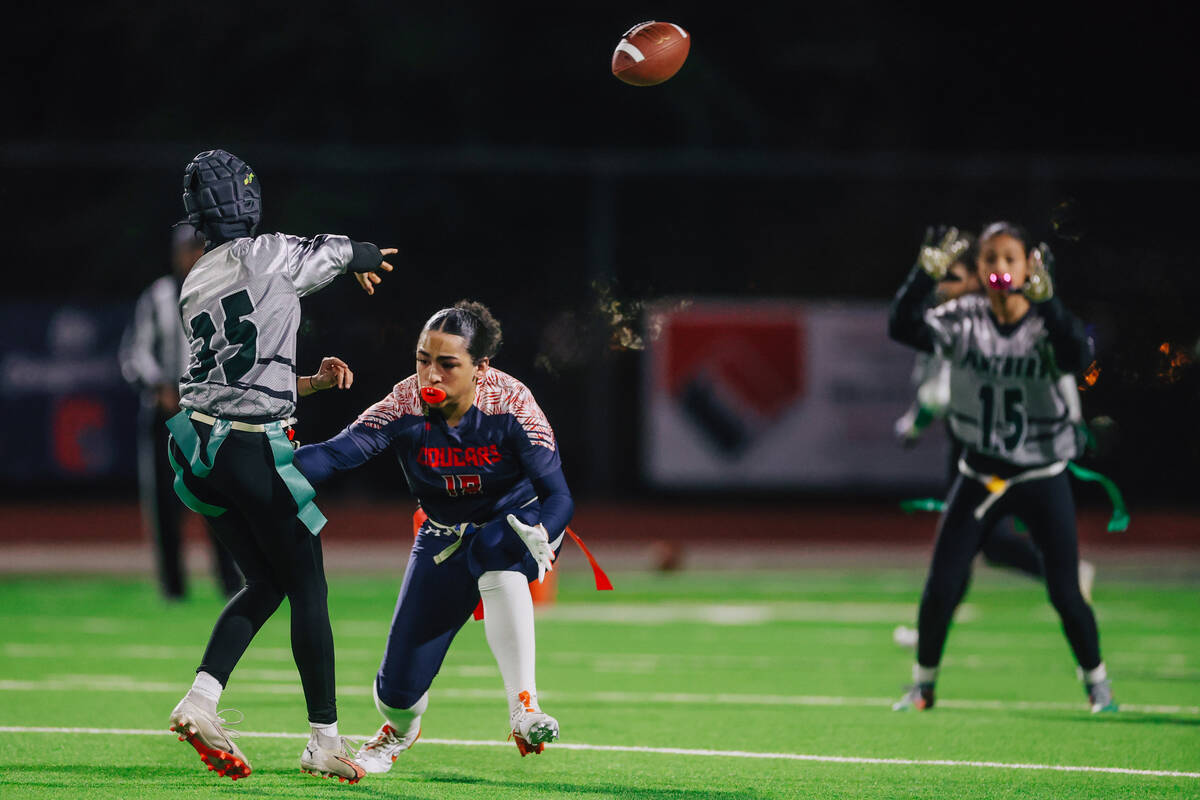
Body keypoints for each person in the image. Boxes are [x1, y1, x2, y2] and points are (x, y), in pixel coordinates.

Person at [164, 149, 395, 784]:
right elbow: (341, 248)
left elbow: (236, 373)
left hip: (194, 447)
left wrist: (310, 385)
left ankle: (201, 700)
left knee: (267, 582)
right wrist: (370, 256)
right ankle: (324, 739)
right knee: (309, 585)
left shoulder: (196, 281)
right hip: (247, 446)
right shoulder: (268, 253)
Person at [293, 300, 572, 772]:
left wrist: (545, 531)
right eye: (423, 360)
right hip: (442, 536)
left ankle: (525, 706)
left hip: (517, 525)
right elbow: (337, 456)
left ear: (481, 368)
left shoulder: (511, 402)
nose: (430, 377)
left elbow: (558, 495)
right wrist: (270, 467)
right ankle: (400, 730)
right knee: (395, 691)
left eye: (447, 365)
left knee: (494, 547)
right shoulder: (404, 402)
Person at [887, 222, 1116, 713]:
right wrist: (920, 278)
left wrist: (1050, 301)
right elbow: (902, 326)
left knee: (1065, 591)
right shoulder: (965, 317)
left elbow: (1079, 354)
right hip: (980, 472)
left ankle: (1097, 683)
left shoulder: (1043, 321)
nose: (998, 269)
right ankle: (923, 686)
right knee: (942, 584)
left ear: (1027, 264)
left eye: (1008, 258)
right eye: (990, 258)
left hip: (1039, 472)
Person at [119, 222, 242, 601]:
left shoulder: (224, 292)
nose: (193, 257)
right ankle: (173, 590)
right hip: (168, 416)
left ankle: (232, 585)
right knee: (164, 504)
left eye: (199, 249)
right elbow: (134, 353)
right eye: (187, 249)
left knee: (219, 501)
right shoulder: (158, 296)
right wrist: (158, 386)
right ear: (176, 254)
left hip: (209, 414)